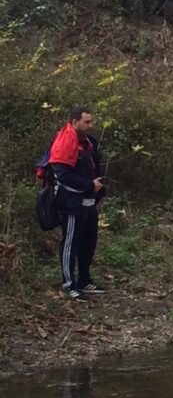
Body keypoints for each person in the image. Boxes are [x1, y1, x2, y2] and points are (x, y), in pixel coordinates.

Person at [49, 106, 105, 300]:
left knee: (88, 243)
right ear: (74, 122)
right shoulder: (65, 141)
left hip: (89, 202)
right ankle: (69, 283)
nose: (91, 125)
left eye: (91, 121)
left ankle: (84, 280)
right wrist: (89, 185)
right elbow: (62, 174)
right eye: (86, 122)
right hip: (72, 203)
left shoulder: (88, 142)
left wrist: (97, 189)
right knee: (70, 243)